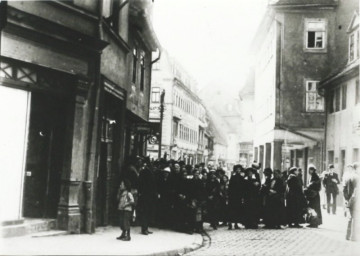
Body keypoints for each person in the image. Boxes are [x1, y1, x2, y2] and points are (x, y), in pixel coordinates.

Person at [137, 158, 157, 235]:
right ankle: (144, 229)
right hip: (146, 195)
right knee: (145, 212)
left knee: (147, 212)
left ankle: (146, 228)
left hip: (148, 195)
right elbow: (141, 184)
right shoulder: (146, 172)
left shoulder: (147, 172)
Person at [343, 162, 359, 241]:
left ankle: (347, 235)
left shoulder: (348, 177)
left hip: (349, 200)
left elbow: (344, 189)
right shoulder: (357, 177)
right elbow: (356, 191)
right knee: (355, 218)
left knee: (350, 218)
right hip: (355, 200)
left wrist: (346, 200)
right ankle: (353, 237)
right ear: (356, 168)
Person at [227, 165, 245, 230]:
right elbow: (230, 187)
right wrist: (229, 195)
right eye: (237, 169)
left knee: (237, 210)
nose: (238, 170)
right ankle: (230, 223)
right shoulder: (233, 177)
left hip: (238, 196)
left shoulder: (241, 178)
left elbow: (243, 188)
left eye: (239, 169)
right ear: (235, 170)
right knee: (231, 210)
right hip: (232, 196)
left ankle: (236, 223)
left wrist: (242, 196)